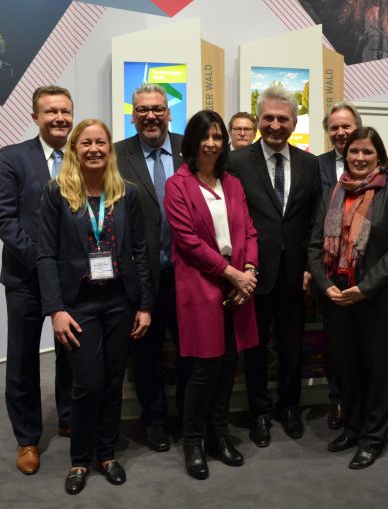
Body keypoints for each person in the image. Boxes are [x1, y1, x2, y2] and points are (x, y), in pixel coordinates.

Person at [37, 119, 152, 495]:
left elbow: (140, 252)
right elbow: (45, 255)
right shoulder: (56, 193)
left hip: (119, 301)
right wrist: (56, 309)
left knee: (113, 382)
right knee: (87, 384)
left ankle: (107, 454)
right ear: (74, 150)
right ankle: (80, 459)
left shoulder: (127, 193)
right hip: (78, 304)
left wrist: (145, 305)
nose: (94, 149)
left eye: (100, 142)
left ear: (110, 148)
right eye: (85, 143)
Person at [164, 110, 259, 480]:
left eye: (218, 136)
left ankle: (219, 436)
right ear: (192, 141)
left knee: (228, 366)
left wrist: (249, 271)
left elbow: (249, 231)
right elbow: (188, 242)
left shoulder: (232, 183)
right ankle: (194, 442)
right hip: (201, 284)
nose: (211, 143)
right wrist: (233, 274)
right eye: (205, 136)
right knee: (204, 369)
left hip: (237, 284)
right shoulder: (178, 185)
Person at [308, 126, 388, 469]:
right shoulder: (331, 194)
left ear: (379, 157)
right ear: (345, 154)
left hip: (379, 298)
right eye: (354, 151)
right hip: (337, 297)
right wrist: (325, 285)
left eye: (367, 151)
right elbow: (314, 246)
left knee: (376, 370)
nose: (360, 157)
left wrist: (364, 289)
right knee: (346, 368)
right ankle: (352, 428)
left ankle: (373, 438)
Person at [228, 86, 321, 447]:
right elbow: (232, 220)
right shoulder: (236, 162)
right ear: (257, 120)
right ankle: (260, 413)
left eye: (283, 119)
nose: (275, 125)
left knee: (292, 344)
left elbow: (315, 220)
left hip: (296, 274)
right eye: (268, 118)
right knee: (253, 348)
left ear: (294, 122)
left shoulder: (309, 164)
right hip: (252, 274)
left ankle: (289, 407)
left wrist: (311, 265)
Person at [0, 85, 74, 475]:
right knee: (23, 360)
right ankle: (27, 439)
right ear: (35, 117)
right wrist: (42, 263)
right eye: (51, 111)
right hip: (25, 278)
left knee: (71, 353)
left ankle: (69, 417)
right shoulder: (13, 157)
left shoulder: (82, 156)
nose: (59, 118)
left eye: (65, 111)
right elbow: (3, 218)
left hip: (71, 278)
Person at [116, 83, 184, 452]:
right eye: (142, 110)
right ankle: (154, 421)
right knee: (145, 356)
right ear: (133, 115)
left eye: (157, 108)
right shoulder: (115, 155)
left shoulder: (192, 149)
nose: (151, 116)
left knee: (192, 352)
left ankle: (190, 419)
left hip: (188, 274)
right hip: (141, 278)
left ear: (169, 113)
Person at [318, 101, 364, 430]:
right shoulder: (316, 165)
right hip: (330, 269)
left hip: (365, 270)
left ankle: (363, 402)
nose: (341, 132)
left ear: (357, 127)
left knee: (364, 343)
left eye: (346, 126)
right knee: (335, 344)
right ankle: (337, 400)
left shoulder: (377, 164)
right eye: (334, 127)